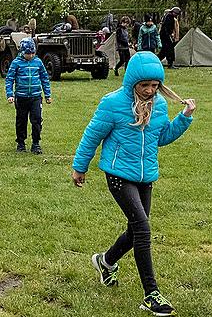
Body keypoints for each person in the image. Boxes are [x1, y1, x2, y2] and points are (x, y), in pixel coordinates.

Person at [71, 52, 195, 317]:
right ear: (132, 82)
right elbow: (92, 135)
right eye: (144, 85)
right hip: (118, 175)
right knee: (143, 228)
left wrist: (183, 118)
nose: (149, 90)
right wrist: (79, 167)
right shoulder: (113, 103)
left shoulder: (159, 105)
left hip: (145, 176)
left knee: (136, 229)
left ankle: (105, 261)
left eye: (154, 85)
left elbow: (161, 138)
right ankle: (151, 294)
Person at [4, 38, 52, 154]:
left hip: (36, 96)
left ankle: (36, 143)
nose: (30, 55)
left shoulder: (38, 62)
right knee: (21, 120)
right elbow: (9, 79)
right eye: (27, 53)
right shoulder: (16, 63)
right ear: (22, 52)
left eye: (32, 53)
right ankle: (21, 143)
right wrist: (10, 94)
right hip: (21, 97)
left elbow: (44, 78)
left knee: (36, 120)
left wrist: (47, 94)